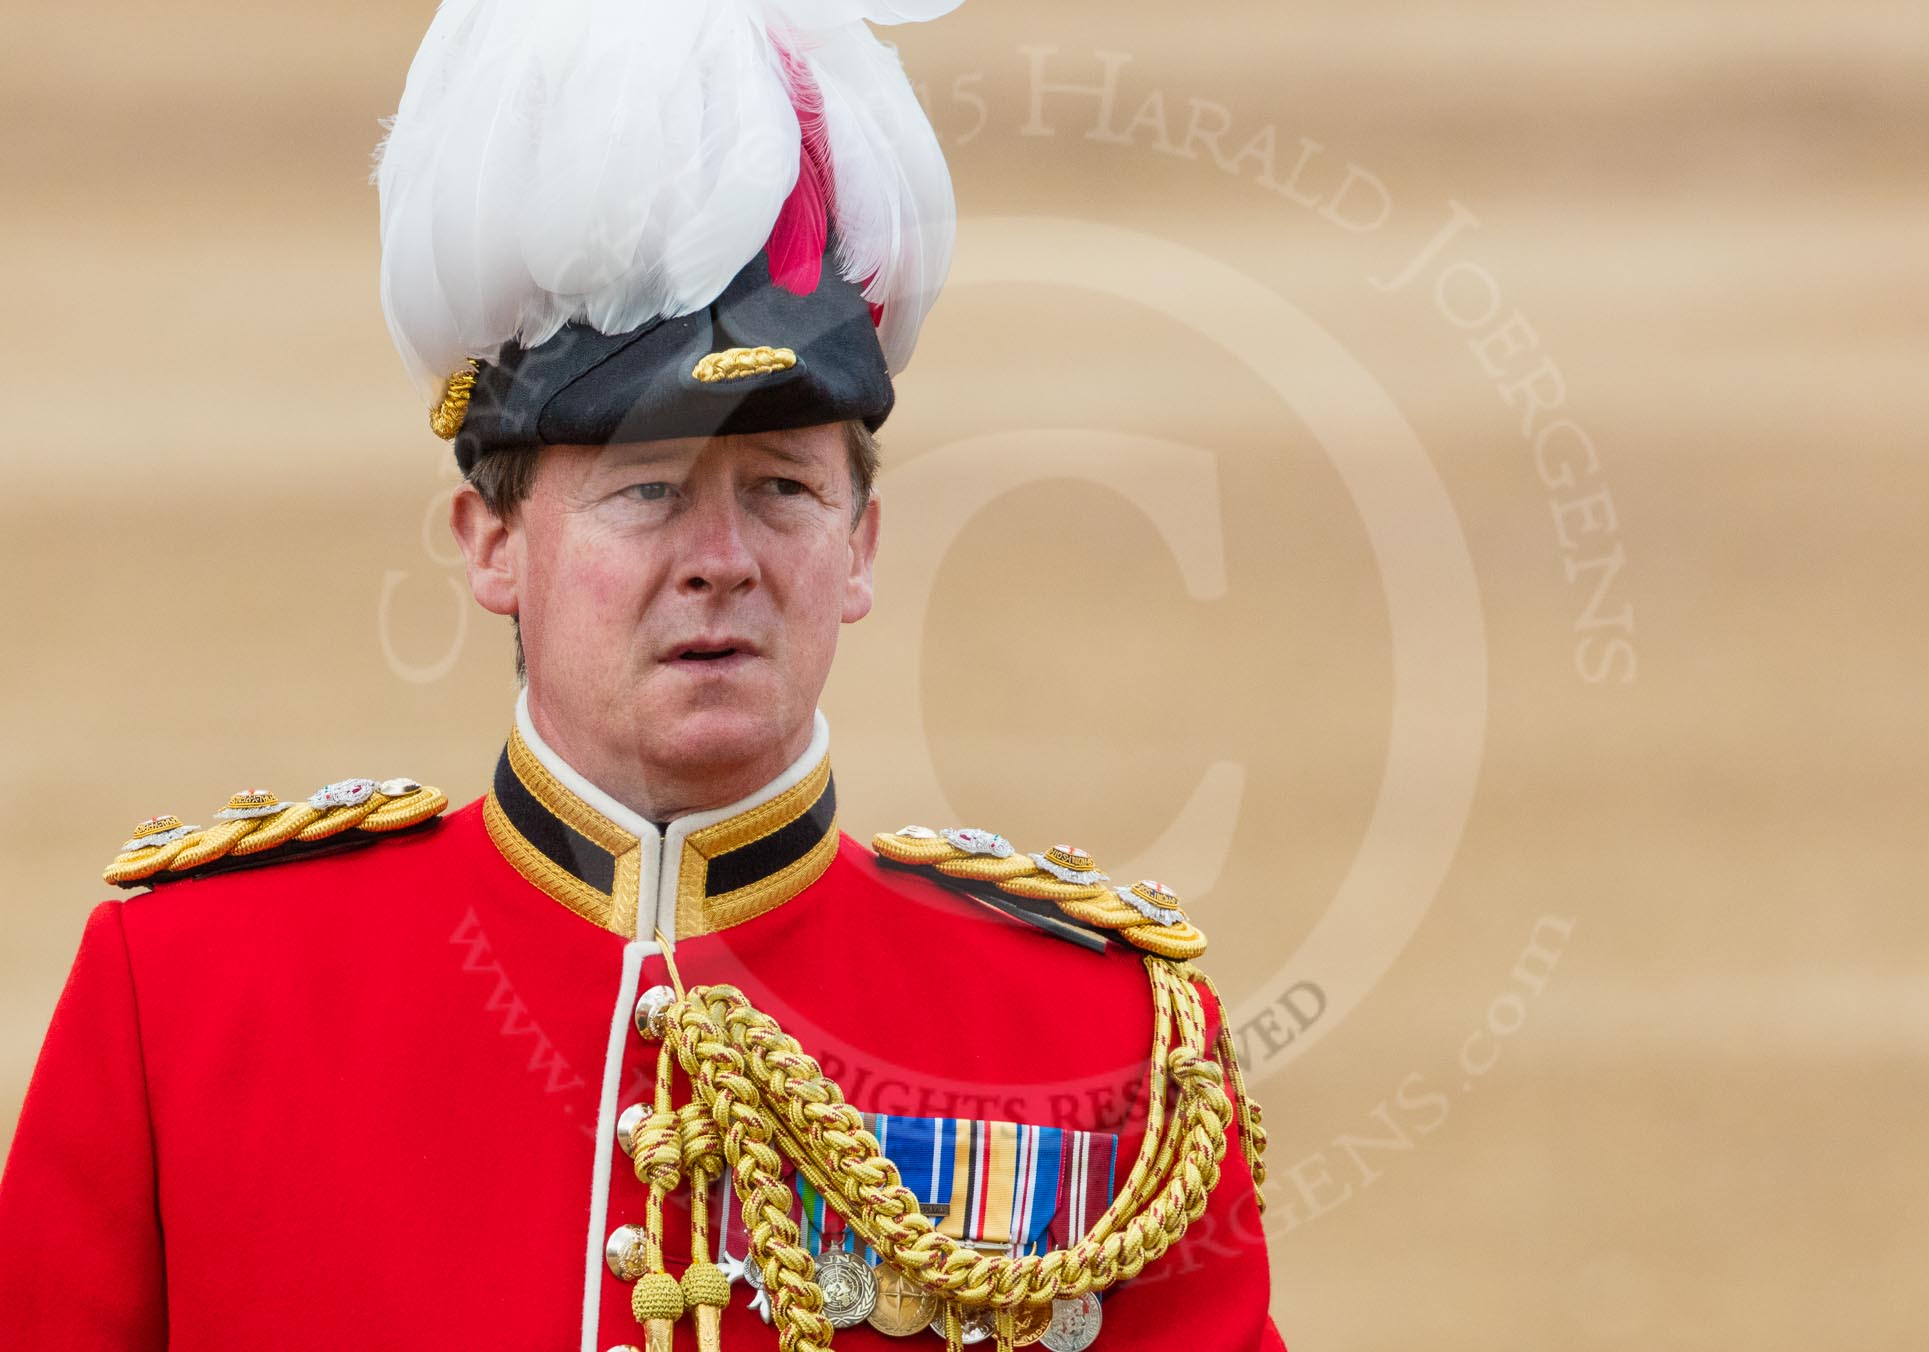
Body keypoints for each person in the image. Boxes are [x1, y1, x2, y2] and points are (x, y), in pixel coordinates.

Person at [0, 2, 1284, 1349]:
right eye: (650, 489)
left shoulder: (1100, 1036)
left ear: (861, 544)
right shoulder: (194, 992)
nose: (721, 557)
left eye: (783, 487)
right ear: (490, 541)